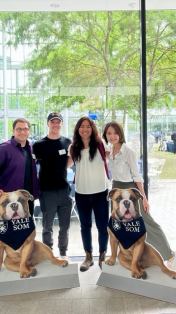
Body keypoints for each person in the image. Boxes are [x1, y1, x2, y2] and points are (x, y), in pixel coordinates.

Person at [103, 121, 176, 270]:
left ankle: (169, 255)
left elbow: (137, 177)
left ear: (120, 134)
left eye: (115, 133)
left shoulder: (129, 152)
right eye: (109, 133)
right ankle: (122, 256)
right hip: (116, 189)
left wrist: (143, 198)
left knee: (147, 224)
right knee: (119, 225)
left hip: (131, 190)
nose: (112, 136)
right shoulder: (109, 150)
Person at [0, 118, 40, 263]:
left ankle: (21, 260)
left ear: (29, 131)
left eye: (25, 129)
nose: (22, 132)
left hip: (24, 200)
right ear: (13, 131)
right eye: (19, 129)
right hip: (6, 201)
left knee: (24, 231)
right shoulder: (5, 148)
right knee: (3, 233)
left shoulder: (30, 147)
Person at [69, 116, 110, 272]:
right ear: (77, 129)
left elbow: (112, 156)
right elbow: (66, 164)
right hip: (82, 192)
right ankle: (88, 256)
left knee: (102, 226)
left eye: (88, 126)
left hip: (101, 191)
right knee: (85, 226)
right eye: (81, 126)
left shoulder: (101, 144)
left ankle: (102, 256)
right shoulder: (73, 147)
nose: (85, 129)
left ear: (92, 128)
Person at [33, 112, 72, 260]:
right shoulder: (38, 145)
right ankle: (48, 253)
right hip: (47, 191)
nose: (55, 125)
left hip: (63, 189)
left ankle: (63, 252)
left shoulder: (67, 142)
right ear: (48, 123)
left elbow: (71, 159)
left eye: (58, 122)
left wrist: (62, 169)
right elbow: (32, 163)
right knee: (47, 226)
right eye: (52, 122)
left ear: (61, 124)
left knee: (64, 227)